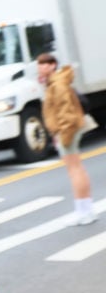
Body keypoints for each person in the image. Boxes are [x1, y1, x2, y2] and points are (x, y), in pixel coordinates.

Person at [38, 52, 97, 226]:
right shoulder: (55, 82)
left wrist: (63, 135)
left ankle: (83, 212)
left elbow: (66, 112)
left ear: (52, 65)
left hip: (67, 130)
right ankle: (86, 210)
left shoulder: (58, 84)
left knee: (74, 170)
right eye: (39, 65)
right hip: (66, 129)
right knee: (77, 168)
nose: (40, 69)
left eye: (42, 65)